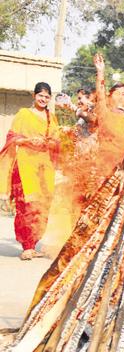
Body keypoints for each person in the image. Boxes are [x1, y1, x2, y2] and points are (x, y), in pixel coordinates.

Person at [0, 82, 61, 260]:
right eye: (41, 95)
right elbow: (12, 138)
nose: (43, 99)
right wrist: (28, 141)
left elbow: (57, 141)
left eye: (47, 96)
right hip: (26, 166)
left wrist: (49, 142)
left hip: (45, 167)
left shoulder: (52, 117)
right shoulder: (23, 114)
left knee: (43, 206)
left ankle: (34, 243)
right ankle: (26, 246)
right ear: (34, 96)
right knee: (27, 205)